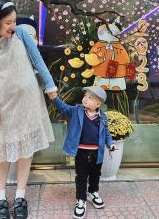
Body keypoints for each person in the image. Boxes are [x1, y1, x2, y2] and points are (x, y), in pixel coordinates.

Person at [0, 0, 57, 219]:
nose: (14, 26)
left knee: (25, 150)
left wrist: (49, 83)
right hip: (4, 106)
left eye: (14, 21)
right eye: (8, 22)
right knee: (1, 152)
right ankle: (0, 197)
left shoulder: (20, 35)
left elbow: (37, 59)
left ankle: (20, 195)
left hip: (29, 101)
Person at [50, 86, 115, 219]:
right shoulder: (77, 111)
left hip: (97, 153)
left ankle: (93, 192)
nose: (85, 99)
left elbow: (106, 133)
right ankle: (81, 200)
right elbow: (64, 107)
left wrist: (111, 143)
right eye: (85, 95)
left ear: (98, 103)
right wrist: (55, 98)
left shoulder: (103, 117)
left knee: (95, 174)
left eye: (90, 98)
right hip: (81, 152)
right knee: (81, 176)